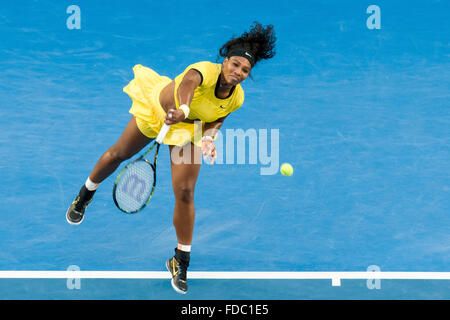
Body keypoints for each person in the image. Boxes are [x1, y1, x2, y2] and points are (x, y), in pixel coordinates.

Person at [66, 21, 276, 294]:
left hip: (188, 130)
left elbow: (217, 118)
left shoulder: (237, 98)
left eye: (245, 70)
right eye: (235, 65)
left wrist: (210, 139)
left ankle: (180, 261)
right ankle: (85, 194)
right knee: (119, 153)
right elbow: (188, 84)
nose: (238, 72)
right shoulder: (203, 70)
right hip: (160, 113)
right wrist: (182, 108)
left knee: (186, 191)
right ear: (225, 61)